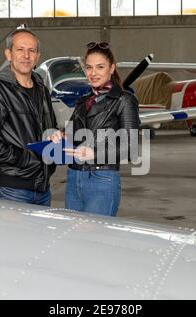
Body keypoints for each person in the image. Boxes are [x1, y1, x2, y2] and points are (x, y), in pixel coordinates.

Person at [51, 41, 140, 216]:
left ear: (112, 68)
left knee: (94, 237)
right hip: (74, 177)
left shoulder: (124, 100)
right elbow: (71, 134)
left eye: (100, 67)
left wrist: (95, 154)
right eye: (89, 67)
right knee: (74, 239)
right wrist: (59, 136)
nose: (93, 73)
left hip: (102, 179)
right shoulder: (83, 100)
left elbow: (130, 148)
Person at [0, 27, 57, 206]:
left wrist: (57, 136)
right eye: (20, 49)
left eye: (31, 50)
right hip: (12, 189)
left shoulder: (42, 90)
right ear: (8, 54)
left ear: (37, 56)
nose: (26, 55)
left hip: (42, 188)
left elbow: (49, 129)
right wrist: (22, 158)